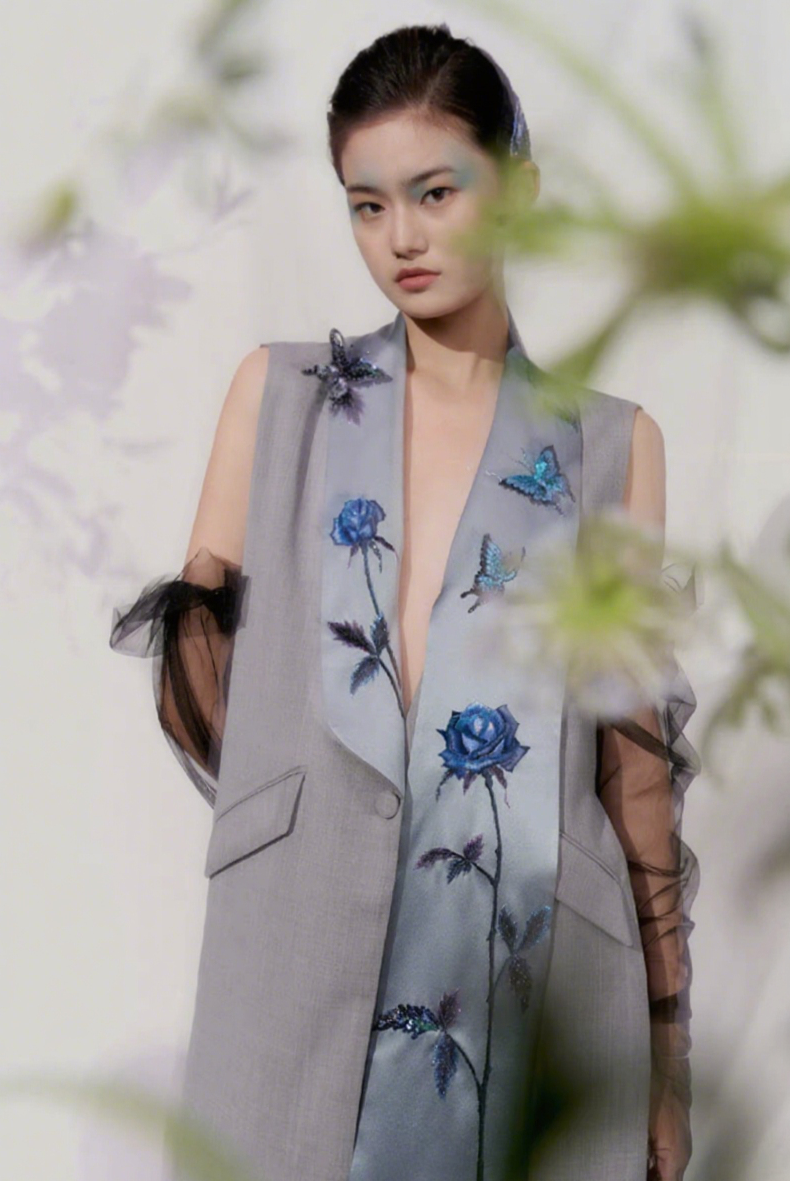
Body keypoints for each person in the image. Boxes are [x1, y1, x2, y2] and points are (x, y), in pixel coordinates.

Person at [109, 22, 700, 1181]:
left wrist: (667, 1052)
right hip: (294, 963)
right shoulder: (279, 397)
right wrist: (325, 809)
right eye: (367, 205)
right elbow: (200, 681)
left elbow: (633, 770)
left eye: (437, 192)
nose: (403, 239)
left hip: (537, 984)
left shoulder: (610, 446)